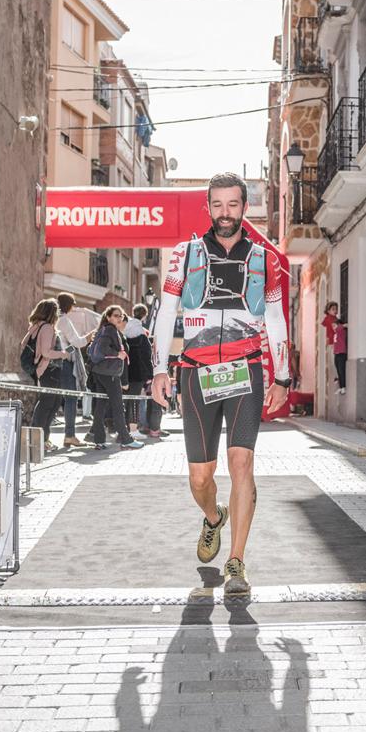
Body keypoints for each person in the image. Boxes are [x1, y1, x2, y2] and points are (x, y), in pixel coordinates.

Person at [150, 173, 290, 596]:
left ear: (244, 207)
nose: (225, 213)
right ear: (208, 208)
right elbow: (166, 312)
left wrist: (282, 374)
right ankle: (214, 517)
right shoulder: (183, 255)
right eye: (218, 205)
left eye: (233, 204)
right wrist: (160, 368)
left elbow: (276, 319)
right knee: (199, 477)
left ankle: (237, 563)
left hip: (246, 368)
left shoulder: (266, 259)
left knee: (242, 463)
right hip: (196, 370)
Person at [86, 305, 143, 450]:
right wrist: (118, 354)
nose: (120, 318)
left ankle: (99, 440)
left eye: (121, 316)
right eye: (116, 315)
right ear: (108, 317)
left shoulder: (103, 329)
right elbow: (103, 348)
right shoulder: (110, 330)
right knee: (118, 406)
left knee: (101, 406)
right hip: (109, 373)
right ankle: (125, 439)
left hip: (100, 372)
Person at [22, 298, 70, 452]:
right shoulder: (48, 327)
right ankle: (39, 441)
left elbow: (23, 345)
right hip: (49, 370)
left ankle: (42, 439)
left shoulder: (35, 327)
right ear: (51, 313)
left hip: (44, 370)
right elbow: (46, 352)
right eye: (56, 311)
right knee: (48, 404)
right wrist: (64, 354)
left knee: (52, 403)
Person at [54, 292, 88, 448]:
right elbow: (77, 342)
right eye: (73, 304)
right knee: (71, 399)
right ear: (68, 305)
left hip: (54, 363)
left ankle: (45, 436)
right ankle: (69, 435)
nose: (74, 308)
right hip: (66, 363)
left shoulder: (54, 319)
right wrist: (89, 336)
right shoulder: (64, 320)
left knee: (53, 399)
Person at [124, 303, 161, 438]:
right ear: (144, 316)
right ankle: (133, 430)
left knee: (124, 400)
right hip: (138, 373)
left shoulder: (124, 331)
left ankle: (123, 429)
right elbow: (147, 357)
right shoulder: (142, 335)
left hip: (124, 372)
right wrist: (150, 375)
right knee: (134, 400)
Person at [332, 315, 348, 395]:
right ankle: (340, 387)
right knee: (338, 371)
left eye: (334, 325)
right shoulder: (336, 333)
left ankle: (343, 387)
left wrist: (340, 325)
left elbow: (345, 325)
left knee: (341, 371)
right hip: (336, 354)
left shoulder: (341, 331)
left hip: (341, 354)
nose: (333, 327)